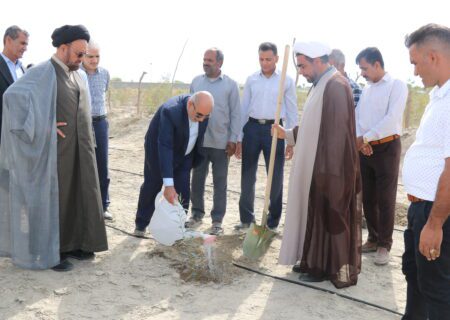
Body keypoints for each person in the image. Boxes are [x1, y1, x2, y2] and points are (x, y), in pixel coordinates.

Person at [0, 25, 108, 272]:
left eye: (84, 54)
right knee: (56, 199)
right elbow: (12, 97)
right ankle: (51, 251)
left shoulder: (76, 73)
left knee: (78, 194)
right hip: (55, 153)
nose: (82, 60)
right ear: (63, 48)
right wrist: (43, 125)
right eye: (79, 54)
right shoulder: (43, 72)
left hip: (80, 149)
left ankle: (74, 243)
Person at [277, 41, 361, 288]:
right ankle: (310, 259)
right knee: (312, 212)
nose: (300, 72)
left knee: (327, 215)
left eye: (303, 66)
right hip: (315, 163)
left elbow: (335, 135)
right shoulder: (320, 84)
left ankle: (323, 267)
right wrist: (289, 134)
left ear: (318, 60)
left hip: (327, 168)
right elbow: (315, 125)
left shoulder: (335, 85)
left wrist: (327, 173)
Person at [402, 23, 450, 319]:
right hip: (421, 208)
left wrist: (434, 224)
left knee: (436, 290)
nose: (415, 71)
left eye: (416, 63)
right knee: (416, 277)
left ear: (432, 57)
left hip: (436, 213)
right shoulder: (440, 97)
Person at [235, 42, 298, 231]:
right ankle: (246, 219)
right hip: (252, 129)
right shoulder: (252, 79)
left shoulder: (286, 81)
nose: (264, 63)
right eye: (261, 59)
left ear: (277, 59)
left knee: (275, 176)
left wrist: (290, 140)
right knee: (247, 176)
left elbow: (293, 111)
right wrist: (239, 137)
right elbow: (243, 109)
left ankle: (272, 222)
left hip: (275, 130)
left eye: (268, 59)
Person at [133, 92, 213, 237]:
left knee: (182, 189)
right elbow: (165, 146)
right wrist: (168, 184)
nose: (202, 120)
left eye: (206, 117)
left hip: (185, 153)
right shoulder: (171, 111)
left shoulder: (203, 111)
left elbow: (198, 135)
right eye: (199, 116)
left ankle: (177, 227)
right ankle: (141, 223)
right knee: (153, 184)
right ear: (190, 105)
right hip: (158, 151)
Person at [355, 47, 408, 265]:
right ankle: (373, 238)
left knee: (386, 198)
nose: (363, 74)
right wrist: (361, 139)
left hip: (387, 148)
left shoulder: (397, 86)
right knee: (368, 196)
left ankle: (385, 245)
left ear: (377, 64)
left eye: (365, 68)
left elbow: (392, 118)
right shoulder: (367, 88)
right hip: (365, 147)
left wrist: (366, 137)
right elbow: (358, 116)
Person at [184, 48, 240, 235]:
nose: (205, 62)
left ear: (219, 63)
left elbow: (236, 114)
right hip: (200, 141)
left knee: (220, 182)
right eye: (204, 59)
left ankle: (217, 220)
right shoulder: (196, 82)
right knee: (197, 179)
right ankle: (196, 214)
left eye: (209, 60)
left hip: (222, 143)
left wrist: (233, 140)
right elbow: (189, 111)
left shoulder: (231, 85)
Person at [82, 41, 112, 220]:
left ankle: (103, 205)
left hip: (100, 123)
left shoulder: (105, 74)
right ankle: (84, 205)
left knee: (102, 164)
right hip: (83, 123)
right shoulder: (77, 74)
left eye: (97, 56)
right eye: (90, 56)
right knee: (84, 164)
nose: (94, 60)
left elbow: (104, 92)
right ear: (83, 56)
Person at [0, 25, 29, 144]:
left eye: (26, 44)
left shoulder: (22, 69)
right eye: (22, 43)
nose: (25, 48)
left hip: (20, 136)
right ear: (8, 41)